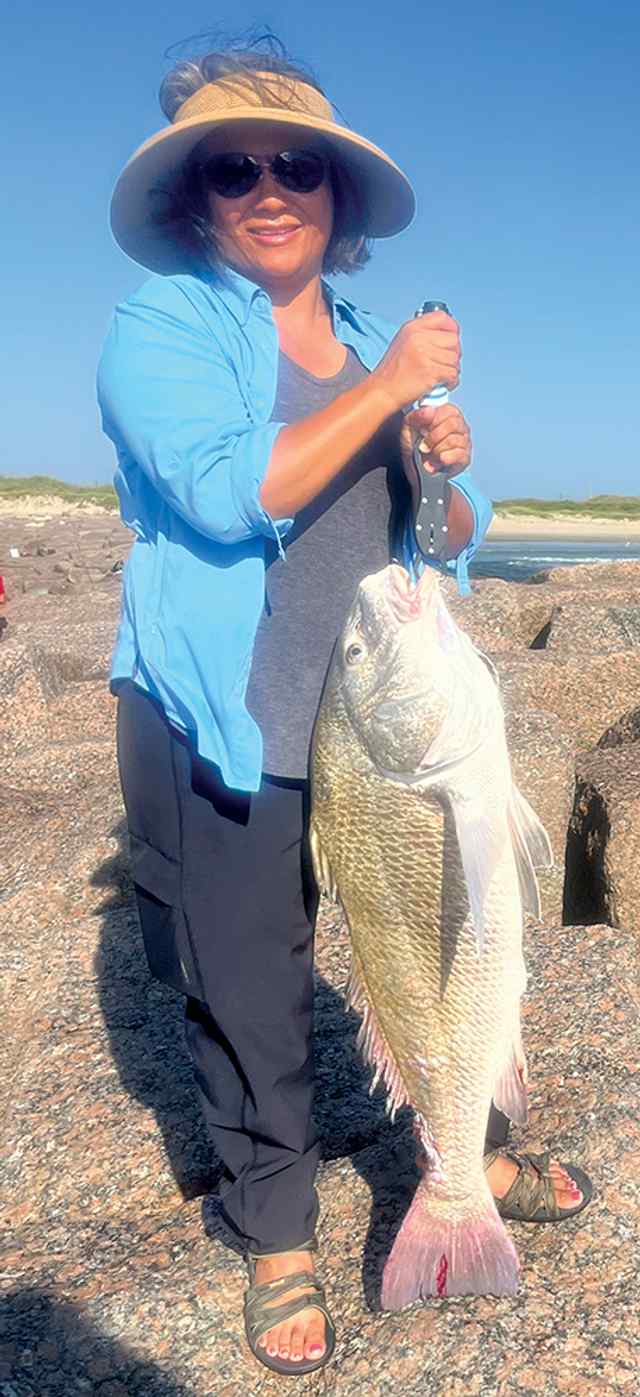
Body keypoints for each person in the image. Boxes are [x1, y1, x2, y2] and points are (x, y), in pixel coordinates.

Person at [97, 36, 592, 1378]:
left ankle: (465, 1145)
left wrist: (446, 462)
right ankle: (274, 1229)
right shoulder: (167, 328)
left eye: (296, 164)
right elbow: (216, 489)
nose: (270, 186)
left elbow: (449, 540)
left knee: (448, 936)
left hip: (383, 721)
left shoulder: (379, 339)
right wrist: (389, 395)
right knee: (247, 978)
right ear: (200, 197)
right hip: (230, 715)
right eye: (234, 165)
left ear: (337, 196)